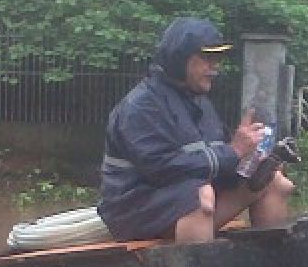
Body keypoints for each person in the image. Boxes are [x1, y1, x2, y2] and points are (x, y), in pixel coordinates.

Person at [98, 17, 294, 243]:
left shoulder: (198, 102)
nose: (215, 68)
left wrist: (253, 159)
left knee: (272, 180)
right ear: (178, 59)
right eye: (207, 58)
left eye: (218, 59)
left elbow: (218, 158)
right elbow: (161, 169)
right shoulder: (141, 106)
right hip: (132, 211)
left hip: (179, 198)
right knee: (199, 198)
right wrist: (234, 152)